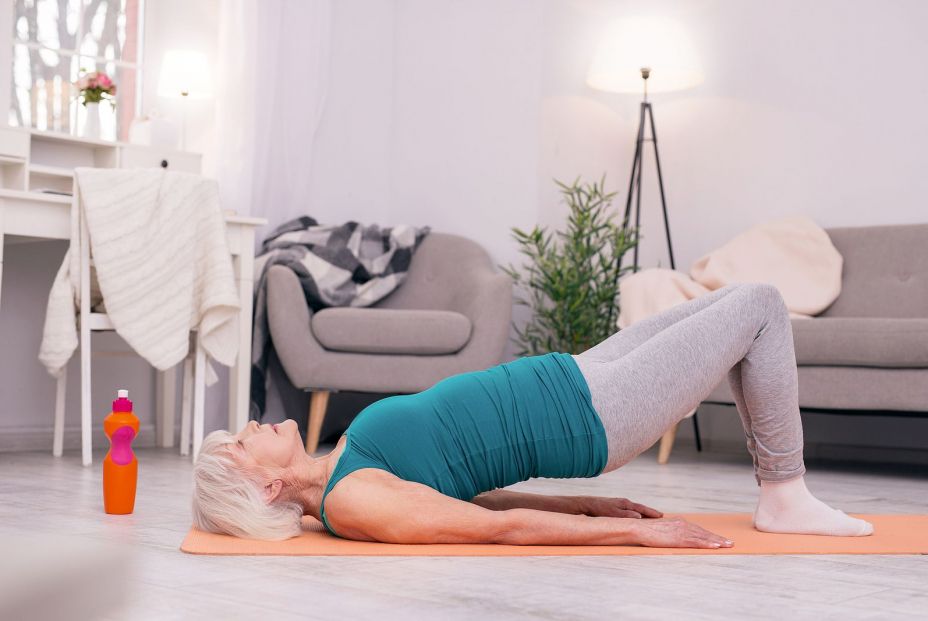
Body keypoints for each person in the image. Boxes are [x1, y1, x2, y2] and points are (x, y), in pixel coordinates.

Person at [192, 282, 874, 546]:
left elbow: (466, 486)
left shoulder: (343, 464)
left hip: (576, 375)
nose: (251, 427)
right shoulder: (355, 500)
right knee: (760, 306)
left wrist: (588, 507)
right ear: (268, 487)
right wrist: (636, 539)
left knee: (722, 306)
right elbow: (499, 528)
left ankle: (784, 489)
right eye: (242, 445)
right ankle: (784, 491)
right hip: (595, 414)